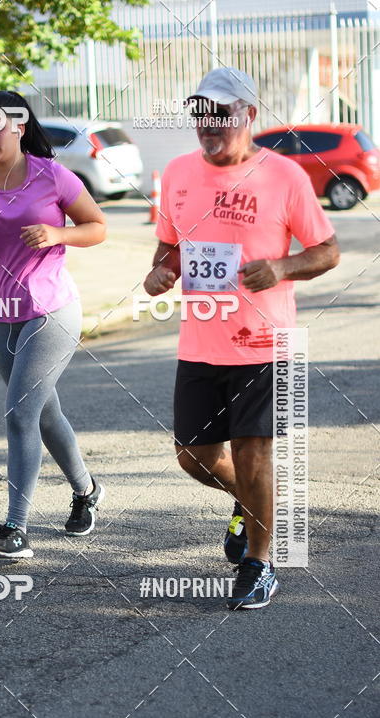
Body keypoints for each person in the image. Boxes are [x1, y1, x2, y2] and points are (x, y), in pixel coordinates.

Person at [143, 67, 339, 609]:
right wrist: (158, 274)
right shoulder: (178, 173)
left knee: (254, 454)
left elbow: (327, 251)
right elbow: (168, 251)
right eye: (200, 115)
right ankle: (249, 504)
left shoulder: (285, 176)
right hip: (199, 344)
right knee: (193, 456)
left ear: (248, 115)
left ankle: (259, 561)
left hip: (262, 342)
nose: (208, 125)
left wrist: (282, 267)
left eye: (220, 114)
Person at [0, 90, 106, 559]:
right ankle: (86, 490)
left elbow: (97, 226)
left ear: (18, 126)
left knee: (19, 413)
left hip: (50, 313)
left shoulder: (50, 174)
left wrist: (59, 233)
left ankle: (15, 528)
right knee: (44, 412)